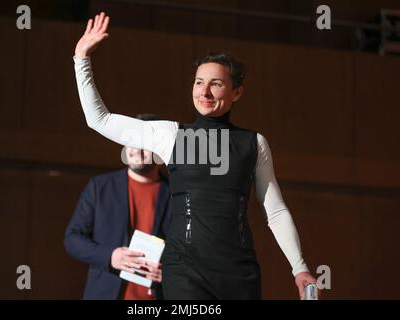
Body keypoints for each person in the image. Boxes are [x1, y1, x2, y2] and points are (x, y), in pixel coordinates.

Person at [72, 12, 318, 299]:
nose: (205, 91)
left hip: (239, 273)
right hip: (185, 271)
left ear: (237, 92)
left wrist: (299, 268)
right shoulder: (171, 135)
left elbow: (274, 212)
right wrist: (81, 59)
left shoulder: (253, 143)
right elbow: (99, 119)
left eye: (216, 83)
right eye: (199, 82)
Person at [64, 113, 172, 300]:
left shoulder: (176, 194)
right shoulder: (100, 187)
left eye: (144, 144)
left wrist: (172, 272)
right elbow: (72, 239)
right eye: (131, 141)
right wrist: (110, 256)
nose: (136, 150)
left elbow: (193, 251)